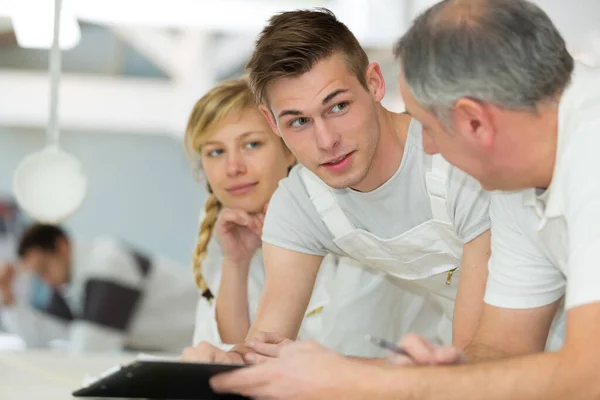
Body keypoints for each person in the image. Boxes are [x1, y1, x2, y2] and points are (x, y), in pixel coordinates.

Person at [204, 1, 600, 399]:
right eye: (299, 121)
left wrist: (357, 379)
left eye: (427, 125)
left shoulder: (588, 150)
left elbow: (588, 374)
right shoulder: (513, 184)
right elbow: (501, 351)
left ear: (474, 120)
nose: (426, 144)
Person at [182, 8, 492, 365]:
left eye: (339, 106)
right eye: (298, 121)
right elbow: (266, 347)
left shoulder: (456, 165)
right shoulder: (300, 202)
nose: (326, 141)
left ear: (374, 82)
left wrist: (327, 368)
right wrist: (224, 364)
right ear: (273, 123)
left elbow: (475, 366)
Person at [185, 77, 413, 357]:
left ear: (289, 148)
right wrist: (236, 263)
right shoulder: (222, 234)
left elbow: (348, 349)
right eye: (216, 152)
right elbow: (233, 357)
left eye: (252, 144)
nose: (233, 167)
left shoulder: (349, 214)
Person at [0, 223, 197, 353]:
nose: (45, 280)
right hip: (174, 353)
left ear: (61, 246)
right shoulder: (72, 286)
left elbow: (89, 351)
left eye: (44, 268)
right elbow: (38, 339)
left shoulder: (107, 263)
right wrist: (8, 297)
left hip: (203, 344)